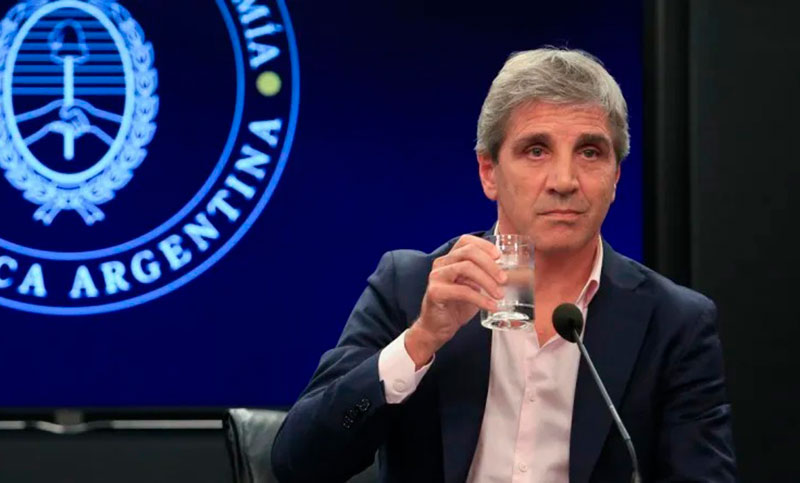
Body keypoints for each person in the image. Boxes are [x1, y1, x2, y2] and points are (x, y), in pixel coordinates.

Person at [271, 48, 736, 482]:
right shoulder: (410, 287)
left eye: (590, 152)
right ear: (488, 172)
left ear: (615, 176)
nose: (564, 181)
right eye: (536, 150)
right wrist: (419, 342)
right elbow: (299, 463)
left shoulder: (674, 321)